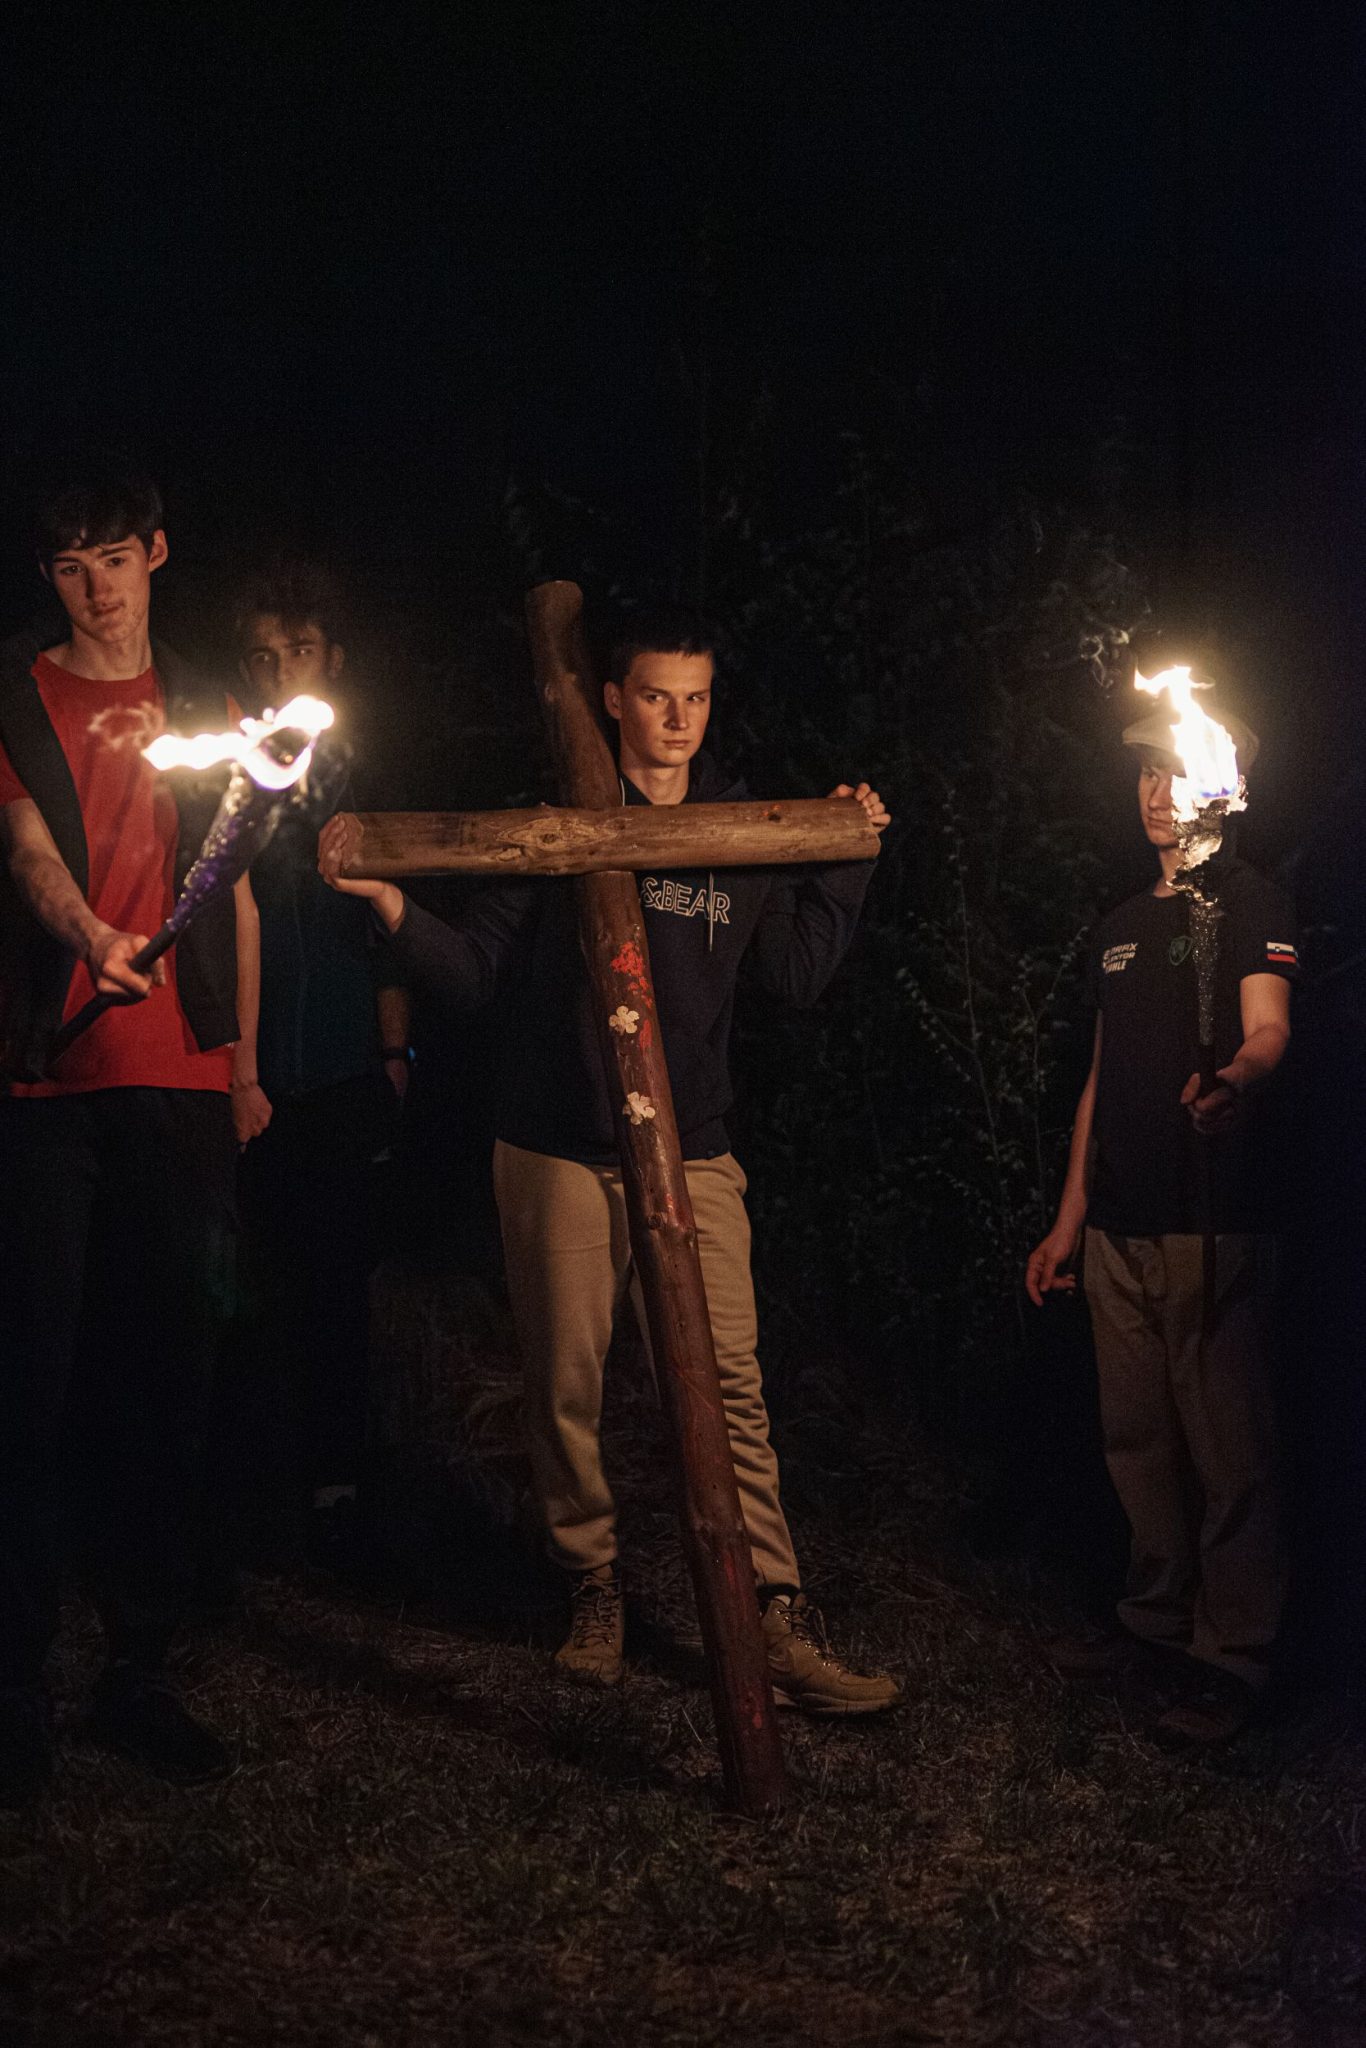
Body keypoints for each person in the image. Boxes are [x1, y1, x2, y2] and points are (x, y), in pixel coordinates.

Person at [319, 603, 901, 1715]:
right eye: (657, 697)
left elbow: (793, 976)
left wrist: (843, 858)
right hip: (556, 1146)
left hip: (696, 1149)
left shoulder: (736, 831)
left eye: (697, 698)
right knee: (566, 1384)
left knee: (729, 1383)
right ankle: (591, 1581)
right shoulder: (560, 830)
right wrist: (392, 904)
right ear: (612, 700)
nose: (679, 720)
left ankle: (774, 1609)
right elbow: (474, 973)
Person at [0, 460, 266, 1802]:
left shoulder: (214, 703)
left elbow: (238, 889)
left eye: (114, 557)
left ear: (156, 553)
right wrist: (91, 933)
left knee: (171, 1371)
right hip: (43, 1083)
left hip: (181, 1082)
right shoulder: (14, 692)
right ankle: (16, 1689)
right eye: (69, 564)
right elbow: (24, 849)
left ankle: (139, 1668)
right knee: (29, 1385)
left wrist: (244, 1068)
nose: (96, 588)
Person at [1026, 690, 1295, 1749]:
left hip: (1210, 1220)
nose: (1153, 790)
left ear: (1223, 783)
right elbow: (1100, 1081)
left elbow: (1268, 1030)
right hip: (1120, 1224)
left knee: (1228, 1447)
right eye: (1143, 770)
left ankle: (1234, 1654)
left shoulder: (1250, 901)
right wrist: (1068, 1220)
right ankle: (1154, 1619)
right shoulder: (1121, 927)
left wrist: (1235, 1080)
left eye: (1175, 770)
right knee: (1135, 1437)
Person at [221, 563, 409, 1577]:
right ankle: (249, 1489)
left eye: (297, 649)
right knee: (248, 1281)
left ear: (331, 658)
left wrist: (393, 1051)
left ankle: (339, 1491)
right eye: (262, 654)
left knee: (339, 1280)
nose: (279, 668)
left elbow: (393, 935)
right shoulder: (230, 774)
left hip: (341, 1067)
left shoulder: (362, 777)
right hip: (246, 1076)